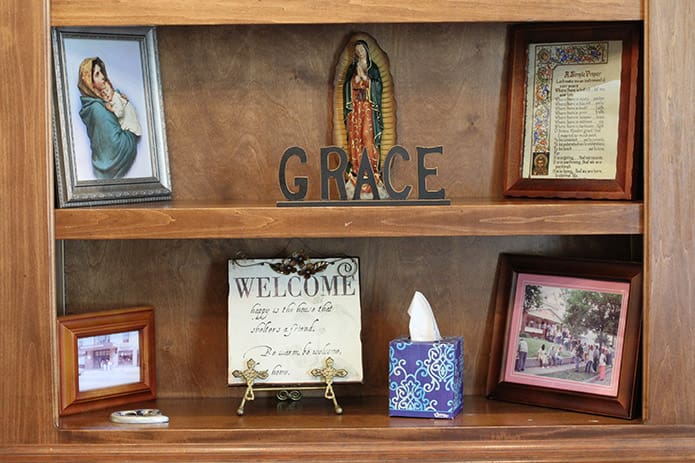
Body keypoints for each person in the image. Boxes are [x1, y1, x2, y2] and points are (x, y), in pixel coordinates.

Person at [78, 57, 139, 179]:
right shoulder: (97, 109)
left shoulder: (101, 100)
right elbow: (115, 148)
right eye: (97, 74)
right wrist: (131, 136)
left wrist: (119, 100)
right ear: (90, 83)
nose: (102, 77)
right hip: (107, 169)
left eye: (101, 72)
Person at [343, 40, 383, 194]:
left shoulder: (373, 69)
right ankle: (357, 170)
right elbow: (347, 85)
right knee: (355, 137)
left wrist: (366, 80)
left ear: (366, 50)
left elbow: (378, 86)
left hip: (367, 108)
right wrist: (355, 80)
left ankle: (371, 170)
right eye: (357, 50)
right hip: (355, 108)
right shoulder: (352, 68)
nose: (359, 52)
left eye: (361, 49)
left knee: (367, 136)